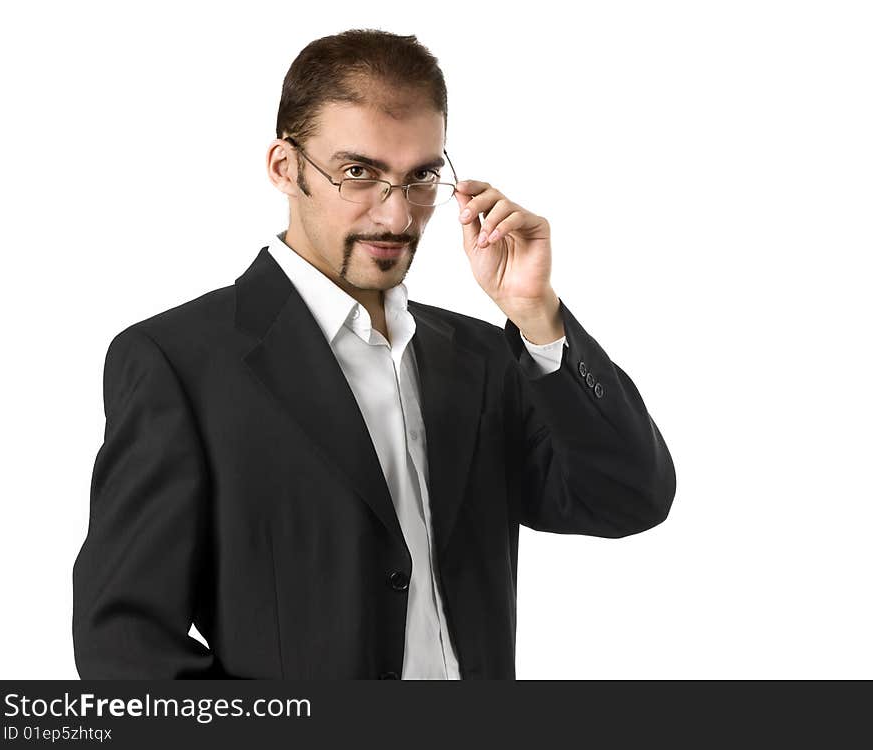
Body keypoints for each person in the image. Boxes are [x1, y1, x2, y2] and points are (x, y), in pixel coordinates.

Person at [72, 28, 676, 680]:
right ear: (285, 167)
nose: (396, 217)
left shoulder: (481, 356)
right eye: (359, 173)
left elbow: (626, 501)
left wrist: (538, 317)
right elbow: (123, 644)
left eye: (420, 177)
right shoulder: (180, 363)